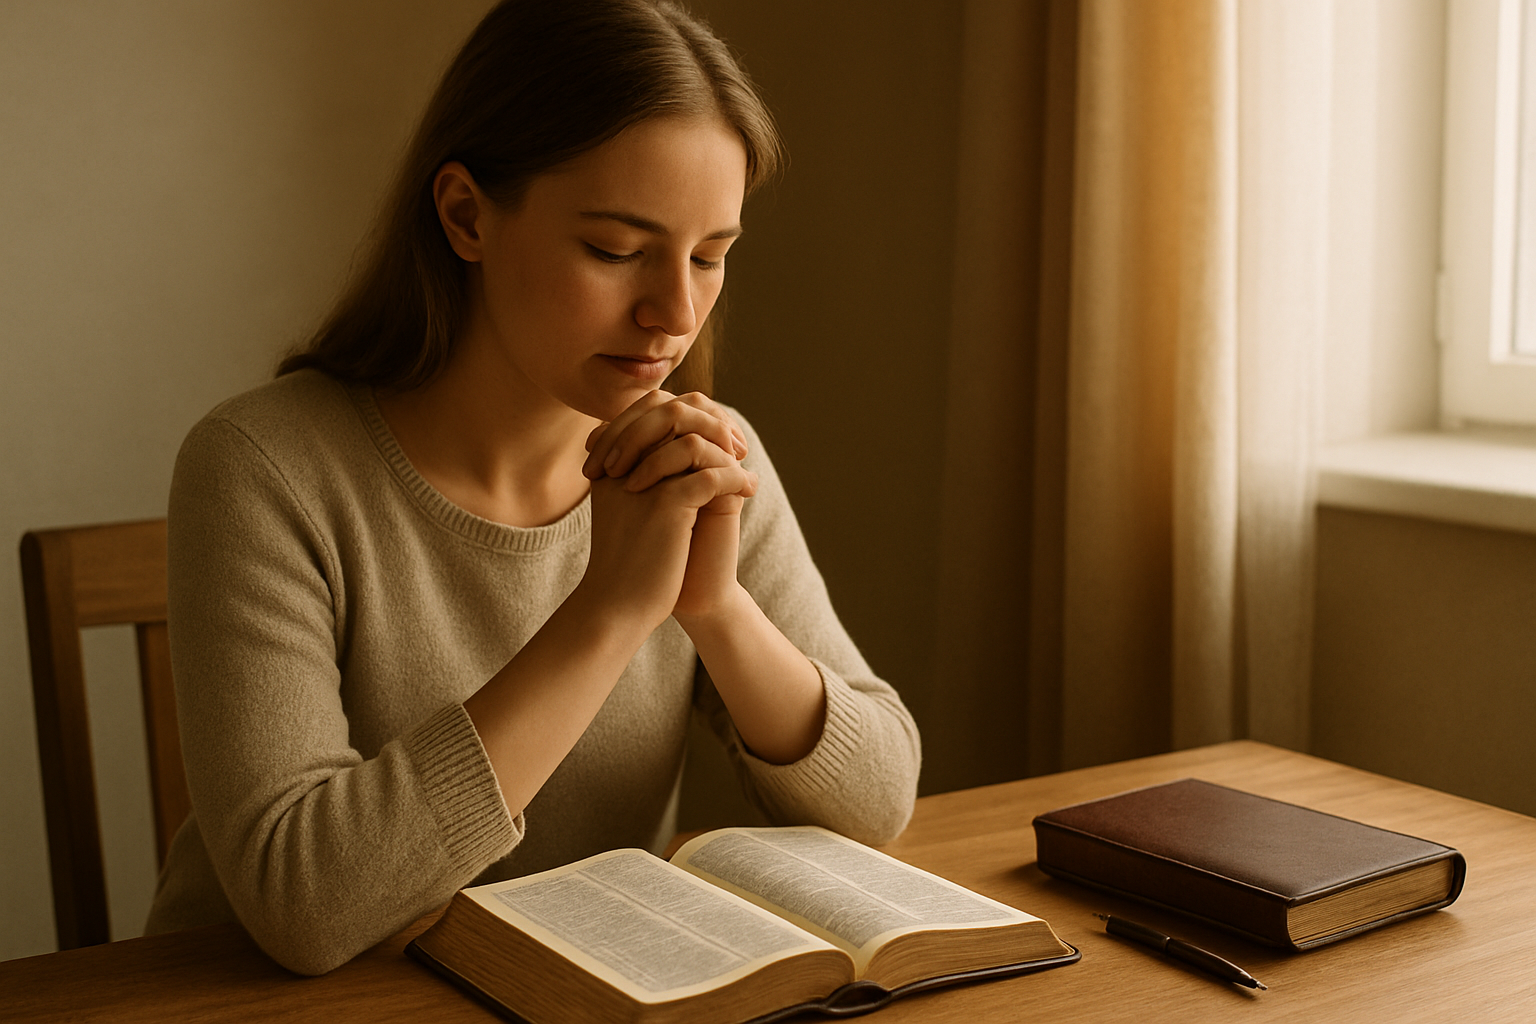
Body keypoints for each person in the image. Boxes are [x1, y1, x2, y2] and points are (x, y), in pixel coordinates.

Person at [144, 0, 920, 975]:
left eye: (712, 256)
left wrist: (716, 607)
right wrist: (610, 611)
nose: (674, 312)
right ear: (467, 214)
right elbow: (307, 903)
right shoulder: (263, 469)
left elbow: (880, 798)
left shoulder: (700, 460)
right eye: (615, 250)